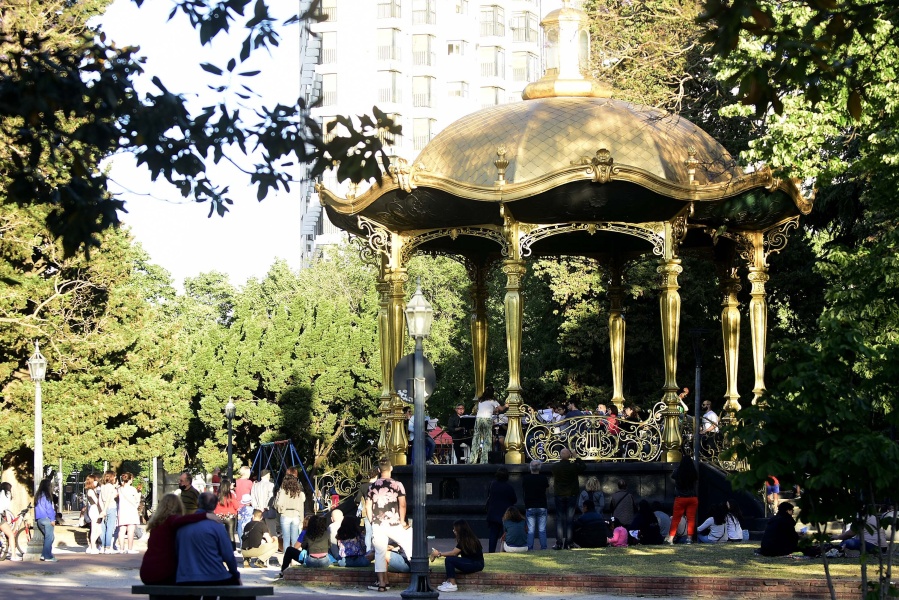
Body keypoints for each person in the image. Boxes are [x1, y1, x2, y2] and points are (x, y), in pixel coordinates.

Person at [139, 493, 211, 584]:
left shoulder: (156, 524)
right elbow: (181, 519)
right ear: (178, 506)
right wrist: (205, 515)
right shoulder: (170, 520)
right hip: (163, 573)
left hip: (147, 571)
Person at [366, 458, 412, 593]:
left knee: (379, 553)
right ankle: (417, 572)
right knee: (409, 543)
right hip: (394, 522)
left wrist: (372, 521)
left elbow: (368, 506)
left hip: (378, 524)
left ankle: (381, 584)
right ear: (391, 469)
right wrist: (403, 520)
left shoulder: (372, 487)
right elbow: (402, 504)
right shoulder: (397, 485)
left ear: (379, 470)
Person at [175, 491, 240, 586]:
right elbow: (228, 555)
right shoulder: (217, 526)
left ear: (198, 503)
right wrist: (235, 573)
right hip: (214, 575)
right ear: (215, 506)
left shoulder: (183, 525)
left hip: (186, 576)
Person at [430, 519, 485, 593]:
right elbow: (456, 552)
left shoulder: (466, 540)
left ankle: (452, 584)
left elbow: (453, 553)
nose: (453, 531)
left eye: (455, 529)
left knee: (449, 560)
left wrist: (439, 554)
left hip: (475, 564)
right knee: (451, 559)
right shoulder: (466, 539)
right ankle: (449, 581)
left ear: (460, 530)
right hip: (474, 563)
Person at [551, 448, 585, 550]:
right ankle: (569, 543)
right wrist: (576, 457)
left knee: (560, 519)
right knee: (570, 519)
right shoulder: (573, 466)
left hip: (559, 495)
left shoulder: (555, 467)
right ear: (569, 456)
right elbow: (583, 467)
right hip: (571, 495)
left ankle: (559, 543)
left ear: (560, 456)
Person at [485, 467, 517, 553]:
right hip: (505, 514)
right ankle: (505, 550)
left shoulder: (492, 485)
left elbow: (488, 496)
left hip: (493, 512)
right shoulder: (509, 487)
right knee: (506, 533)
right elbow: (514, 500)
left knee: (493, 534)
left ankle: (491, 551)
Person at [470, 386, 505, 464]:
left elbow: (484, 409)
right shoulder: (493, 400)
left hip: (478, 419)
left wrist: (493, 410)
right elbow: (501, 409)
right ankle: (484, 460)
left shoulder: (481, 400)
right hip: (487, 419)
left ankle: (472, 459)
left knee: (476, 438)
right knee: (487, 439)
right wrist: (506, 406)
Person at [666, 459, 698, 544]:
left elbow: (673, 476)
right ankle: (689, 538)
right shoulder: (693, 472)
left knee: (676, 519)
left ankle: (671, 538)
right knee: (691, 519)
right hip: (692, 497)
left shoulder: (678, 472)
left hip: (680, 498)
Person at [522, 459, 549, 551]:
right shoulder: (543, 478)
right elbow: (546, 489)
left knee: (530, 530)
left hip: (530, 505)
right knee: (542, 529)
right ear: (539, 468)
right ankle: (544, 547)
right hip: (541, 505)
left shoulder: (526, 478)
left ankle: (530, 547)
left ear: (530, 468)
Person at [274, 473, 305, 553]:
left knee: (286, 539)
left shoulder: (283, 491)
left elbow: (279, 503)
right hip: (296, 515)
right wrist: (301, 519)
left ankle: (286, 558)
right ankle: (294, 558)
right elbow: (301, 506)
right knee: (295, 538)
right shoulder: (298, 492)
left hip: (285, 514)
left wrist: (280, 510)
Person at [117, 472, 142, 554]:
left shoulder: (120, 489)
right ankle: (130, 548)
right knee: (130, 530)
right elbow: (136, 500)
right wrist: (139, 494)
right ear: (130, 479)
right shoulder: (132, 489)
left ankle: (121, 549)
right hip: (131, 510)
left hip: (122, 510)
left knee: (122, 530)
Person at [34, 478, 58, 562]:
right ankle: (47, 556)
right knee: (49, 537)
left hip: (39, 519)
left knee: (50, 537)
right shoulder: (46, 496)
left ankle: (45, 554)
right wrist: (53, 519)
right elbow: (49, 509)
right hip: (47, 519)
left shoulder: (38, 495)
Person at [214, 478, 240, 551]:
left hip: (219, 516)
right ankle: (232, 549)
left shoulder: (216, 495)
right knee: (231, 534)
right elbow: (236, 506)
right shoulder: (231, 495)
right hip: (230, 516)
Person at [99, 470, 119, 554]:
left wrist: (102, 509)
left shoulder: (102, 486)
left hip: (103, 507)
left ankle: (102, 546)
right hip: (111, 507)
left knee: (103, 528)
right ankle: (108, 547)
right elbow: (109, 498)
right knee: (110, 528)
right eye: (114, 476)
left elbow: (100, 499)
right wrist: (105, 509)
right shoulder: (110, 487)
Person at [251, 469, 276, 536]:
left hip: (258, 511)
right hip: (268, 510)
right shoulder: (271, 485)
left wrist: (257, 507)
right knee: (271, 530)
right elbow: (270, 497)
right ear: (267, 475)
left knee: (259, 531)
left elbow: (252, 498)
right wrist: (265, 506)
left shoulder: (255, 485)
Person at [83, 474, 102, 554]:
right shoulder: (90, 491)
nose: (96, 482)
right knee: (95, 529)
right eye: (95, 481)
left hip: (95, 509)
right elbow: (97, 501)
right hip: (94, 509)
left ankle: (91, 546)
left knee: (99, 530)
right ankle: (93, 547)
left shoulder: (93, 490)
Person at [0, 481, 14, 560]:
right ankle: (14, 555)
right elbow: (6, 508)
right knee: (11, 535)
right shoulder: (6, 493)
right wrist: (9, 520)